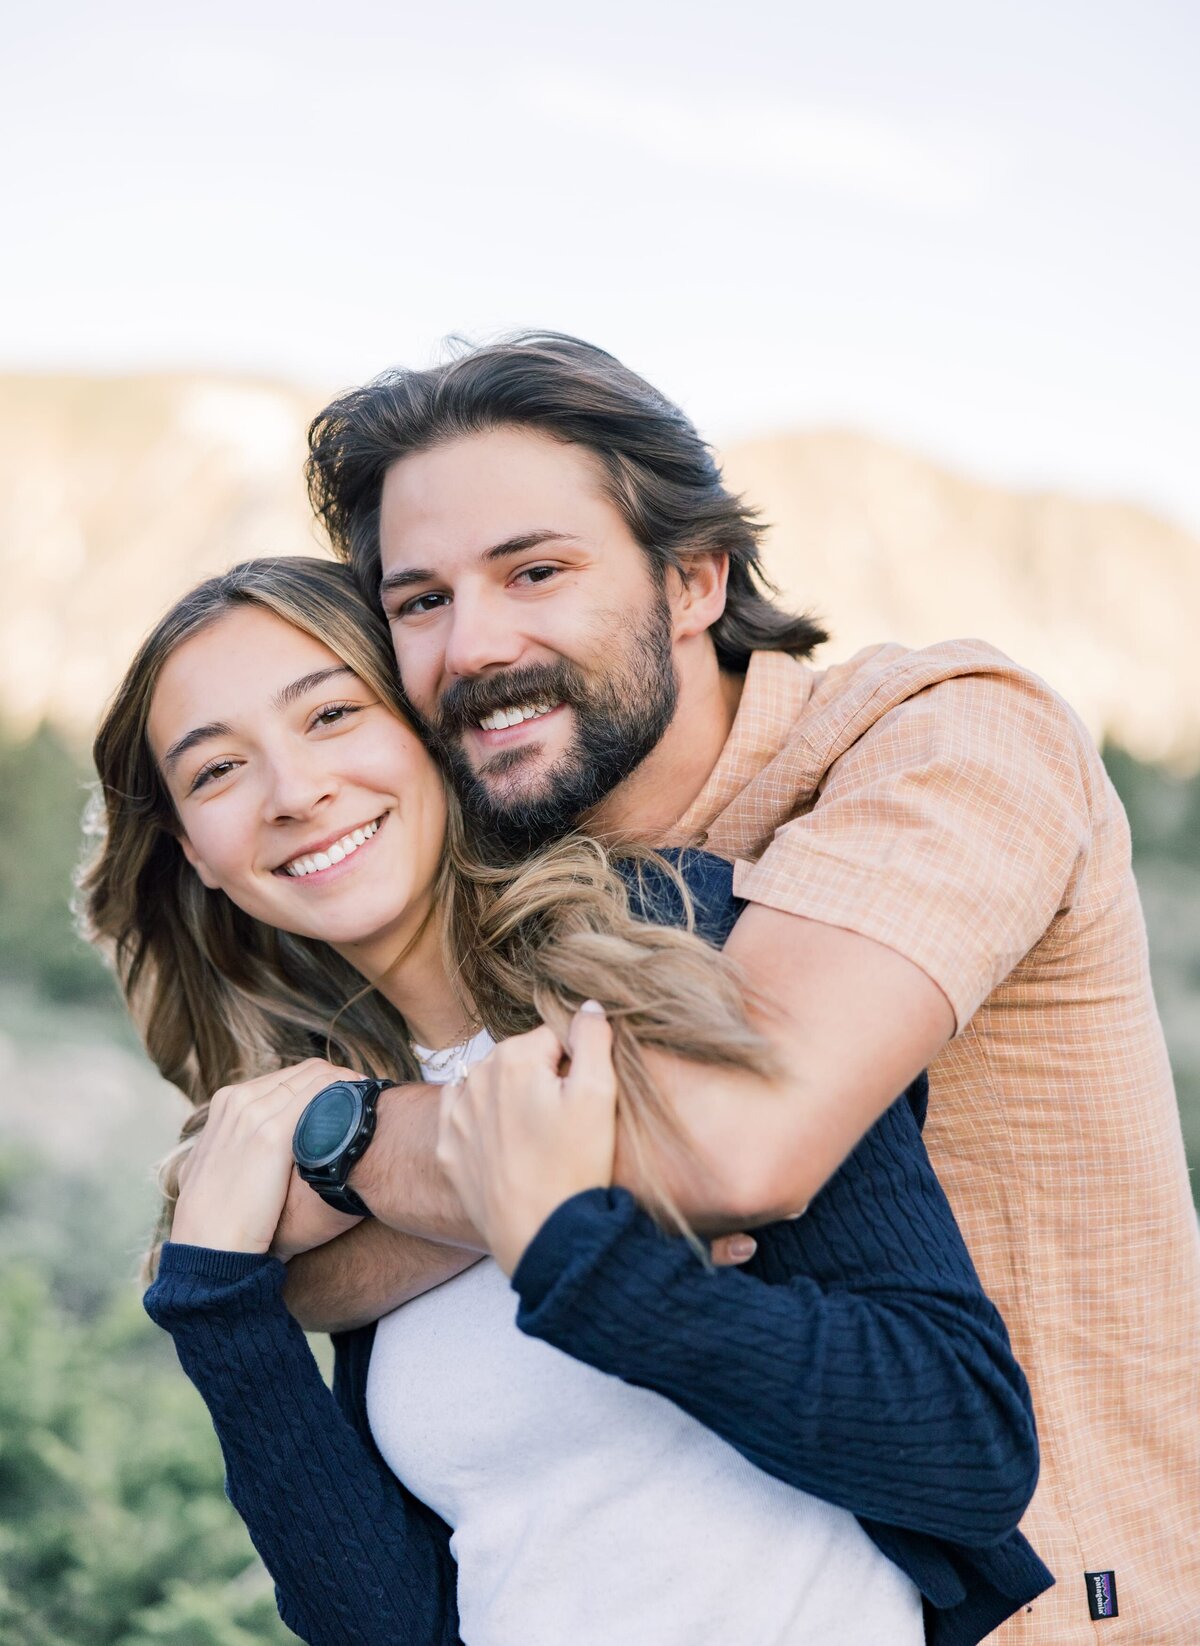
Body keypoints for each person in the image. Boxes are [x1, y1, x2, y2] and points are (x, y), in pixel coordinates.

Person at [296, 333, 1200, 1641]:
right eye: (421, 599)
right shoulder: (494, 873)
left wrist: (343, 1141)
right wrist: (525, 1172)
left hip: (1070, 1606)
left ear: (694, 579)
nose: (474, 644)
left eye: (536, 571)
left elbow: (731, 1142)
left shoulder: (946, 737)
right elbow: (263, 1265)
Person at [82, 556, 1051, 1645]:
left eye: (333, 714)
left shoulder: (678, 949)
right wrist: (222, 1309)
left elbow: (970, 1448)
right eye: (217, 770)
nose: (294, 792)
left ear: (433, 726)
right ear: (194, 853)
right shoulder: (342, 1153)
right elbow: (394, 1623)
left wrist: (578, 1261)